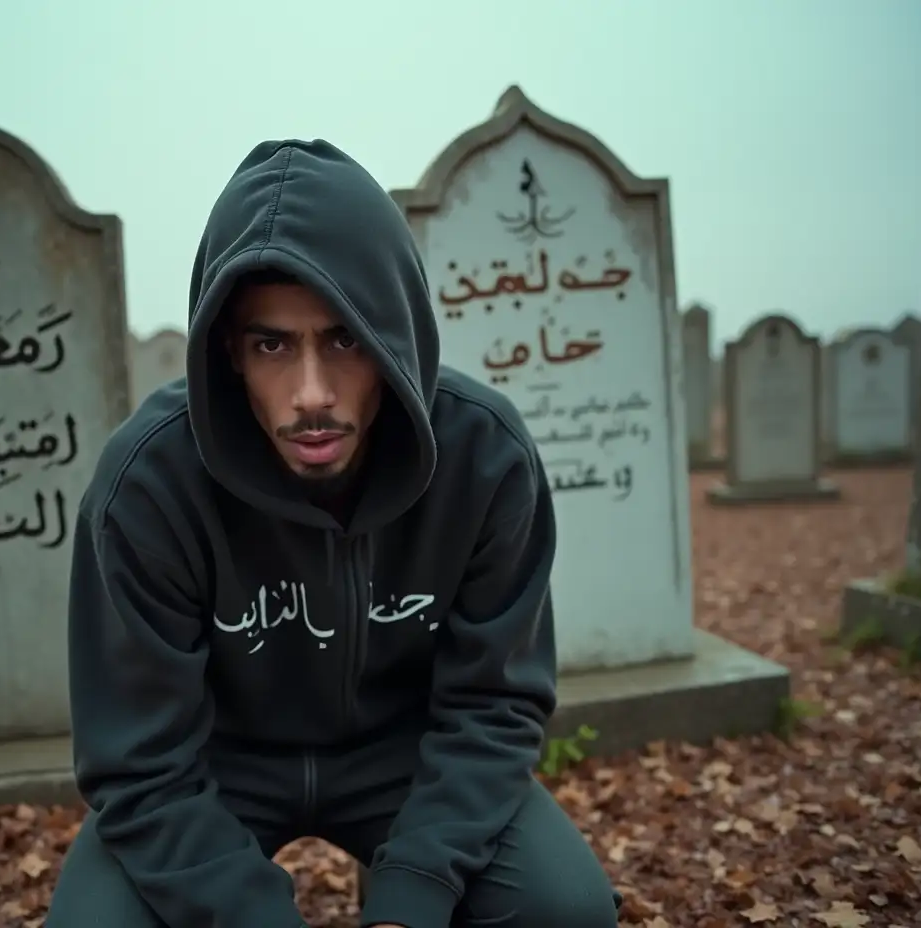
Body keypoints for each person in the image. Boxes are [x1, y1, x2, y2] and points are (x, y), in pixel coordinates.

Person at [46, 139, 621, 928]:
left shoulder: (484, 458)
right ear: (227, 348)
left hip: (408, 758)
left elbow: (495, 705)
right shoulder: (149, 486)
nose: (311, 393)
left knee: (565, 910)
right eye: (271, 344)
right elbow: (140, 767)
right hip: (219, 767)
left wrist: (415, 890)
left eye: (346, 338)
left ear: (393, 333)